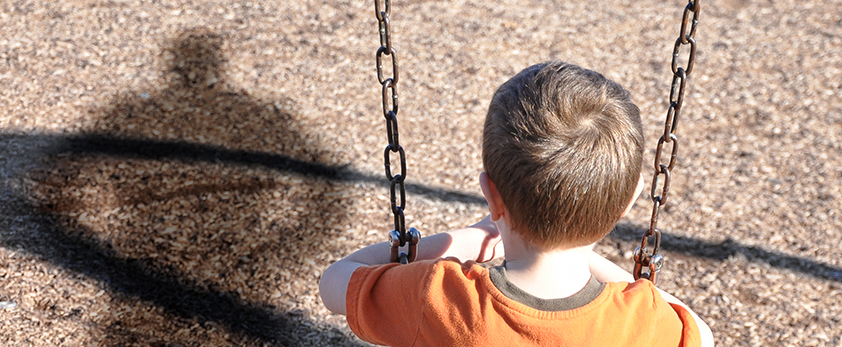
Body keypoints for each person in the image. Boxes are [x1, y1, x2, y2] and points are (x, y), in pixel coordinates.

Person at [319, 61, 714, 346]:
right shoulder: (641, 321)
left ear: (491, 195)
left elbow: (335, 282)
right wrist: (597, 263)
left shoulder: (440, 297)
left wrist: (470, 238)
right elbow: (702, 334)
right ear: (628, 200)